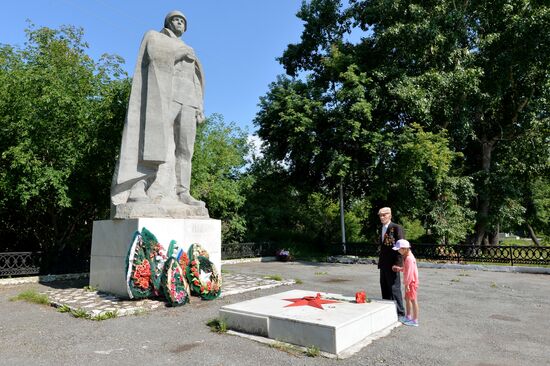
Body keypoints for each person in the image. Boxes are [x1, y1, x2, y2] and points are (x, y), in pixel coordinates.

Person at [111, 10, 206, 216]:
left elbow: (196, 79)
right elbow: (153, 57)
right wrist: (177, 54)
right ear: (168, 23)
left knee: (185, 150)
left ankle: (183, 192)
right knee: (154, 140)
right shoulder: (155, 36)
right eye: (176, 19)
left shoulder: (190, 47)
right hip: (166, 98)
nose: (179, 23)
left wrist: (199, 105)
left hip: (188, 101)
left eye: (183, 21)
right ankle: (140, 184)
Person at [377, 207, 405, 319]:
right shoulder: (381, 228)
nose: (382, 217)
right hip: (383, 263)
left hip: (393, 264)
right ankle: (388, 311)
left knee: (394, 288)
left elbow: (401, 246)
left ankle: (400, 313)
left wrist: (398, 264)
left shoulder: (397, 228)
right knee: (384, 287)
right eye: (380, 215)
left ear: (390, 215)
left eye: (384, 215)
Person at [392, 239, 419, 326]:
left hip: (411, 282)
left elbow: (410, 273)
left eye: (399, 249)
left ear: (404, 249)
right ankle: (408, 317)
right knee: (408, 299)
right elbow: (407, 269)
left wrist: (407, 284)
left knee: (413, 300)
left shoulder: (409, 258)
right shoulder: (407, 256)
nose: (398, 251)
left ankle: (415, 320)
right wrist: (399, 269)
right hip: (410, 282)